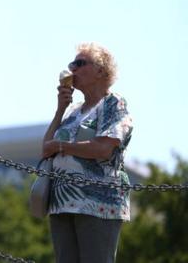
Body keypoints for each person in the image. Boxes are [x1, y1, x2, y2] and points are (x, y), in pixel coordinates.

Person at [42, 43, 133, 263]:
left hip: (97, 204)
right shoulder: (74, 112)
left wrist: (61, 147)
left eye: (80, 63)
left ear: (101, 71)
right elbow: (46, 148)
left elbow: (102, 149)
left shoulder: (113, 103)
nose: (72, 69)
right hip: (62, 203)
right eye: (72, 64)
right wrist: (60, 110)